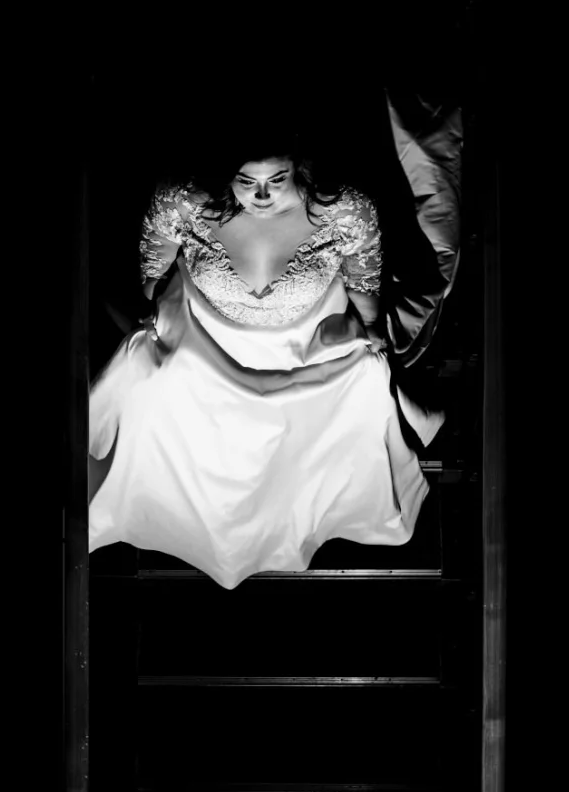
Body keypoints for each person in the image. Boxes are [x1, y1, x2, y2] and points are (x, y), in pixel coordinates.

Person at [87, 126, 442, 589]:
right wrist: (138, 319)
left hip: (305, 337)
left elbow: (363, 285)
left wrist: (371, 331)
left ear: (300, 167)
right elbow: (149, 279)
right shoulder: (183, 200)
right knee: (156, 383)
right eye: (245, 179)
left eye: (277, 179)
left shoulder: (345, 210)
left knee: (364, 383)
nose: (260, 194)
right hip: (205, 331)